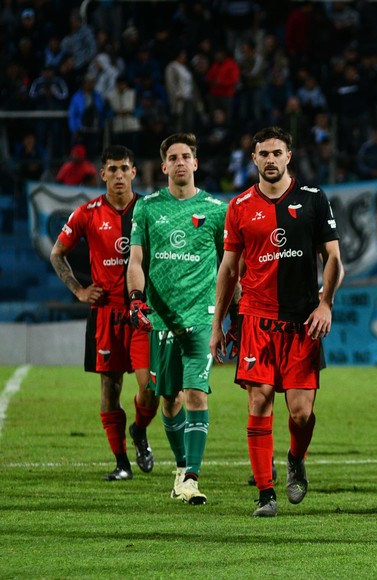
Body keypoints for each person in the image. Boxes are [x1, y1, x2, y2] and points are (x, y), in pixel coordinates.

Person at [210, 126, 343, 517]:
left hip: (304, 321)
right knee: (260, 398)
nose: (270, 159)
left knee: (301, 413)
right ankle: (266, 495)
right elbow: (229, 269)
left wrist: (326, 304)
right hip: (257, 318)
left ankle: (295, 459)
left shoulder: (314, 200)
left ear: (289, 156)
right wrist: (218, 323)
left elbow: (334, 259)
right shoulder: (239, 207)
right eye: (263, 153)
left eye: (277, 152)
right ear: (254, 159)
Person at [127, 133, 227, 506]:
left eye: (187, 156)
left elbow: (230, 266)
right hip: (161, 320)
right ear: (164, 166)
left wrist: (232, 312)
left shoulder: (218, 209)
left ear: (196, 164)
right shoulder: (148, 208)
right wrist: (137, 299)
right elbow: (136, 260)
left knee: (196, 394)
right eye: (173, 157)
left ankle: (191, 476)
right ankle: (181, 467)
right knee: (168, 400)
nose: (181, 162)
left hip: (201, 317)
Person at [50, 145, 160, 481]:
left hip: (142, 312)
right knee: (109, 390)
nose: (117, 175)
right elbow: (58, 254)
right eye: (111, 169)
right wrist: (79, 290)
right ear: (102, 174)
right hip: (106, 315)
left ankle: (139, 431)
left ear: (133, 173)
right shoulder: (87, 213)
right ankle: (122, 463)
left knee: (151, 388)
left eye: (123, 168)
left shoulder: (150, 211)